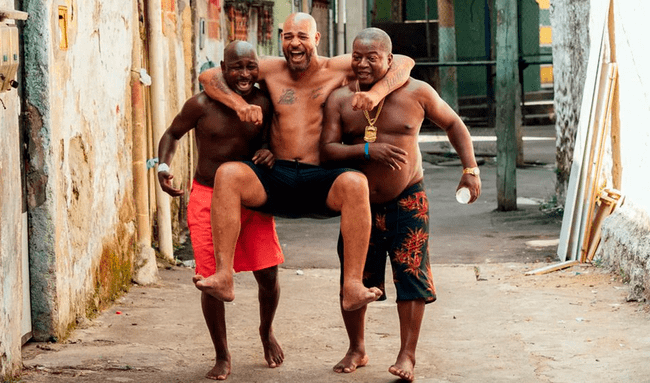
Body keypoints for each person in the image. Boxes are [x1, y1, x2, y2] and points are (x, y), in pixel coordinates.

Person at [194, 12, 416, 312]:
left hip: (320, 176)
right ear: (281, 40)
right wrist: (240, 104)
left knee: (354, 183)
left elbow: (403, 62)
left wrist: (376, 93)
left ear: (316, 39)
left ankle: (352, 285)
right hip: (278, 173)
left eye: (302, 36)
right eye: (288, 36)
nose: (295, 43)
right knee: (229, 174)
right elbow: (209, 77)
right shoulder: (271, 69)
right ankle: (223, 276)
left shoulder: (336, 67)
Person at [321, 28, 482, 381]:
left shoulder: (417, 92)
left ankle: (406, 355)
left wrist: (470, 168)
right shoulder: (338, 99)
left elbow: (454, 123)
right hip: (359, 204)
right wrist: (366, 149)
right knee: (355, 277)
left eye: (371, 57)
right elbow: (328, 149)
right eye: (357, 57)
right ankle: (357, 348)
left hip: (408, 196)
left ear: (389, 60)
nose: (362, 64)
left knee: (411, 275)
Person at [157, 41, 285, 381]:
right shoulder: (201, 104)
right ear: (222, 69)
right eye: (236, 67)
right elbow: (171, 133)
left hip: (250, 196)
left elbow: (275, 143)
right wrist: (161, 168)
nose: (244, 74)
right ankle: (221, 354)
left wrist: (269, 153)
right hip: (207, 197)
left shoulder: (264, 102)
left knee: (269, 275)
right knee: (210, 281)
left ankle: (266, 330)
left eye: (250, 66)